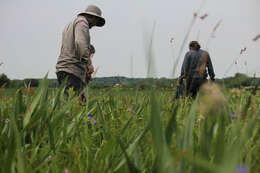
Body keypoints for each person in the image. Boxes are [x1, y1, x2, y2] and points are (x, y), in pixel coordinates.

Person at [56, 5, 105, 100]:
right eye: (96, 22)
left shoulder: (71, 24)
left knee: (70, 103)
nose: (94, 25)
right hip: (72, 70)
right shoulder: (82, 23)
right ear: (93, 18)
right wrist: (88, 63)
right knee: (76, 105)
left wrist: (89, 48)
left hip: (64, 69)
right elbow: (80, 43)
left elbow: (74, 44)